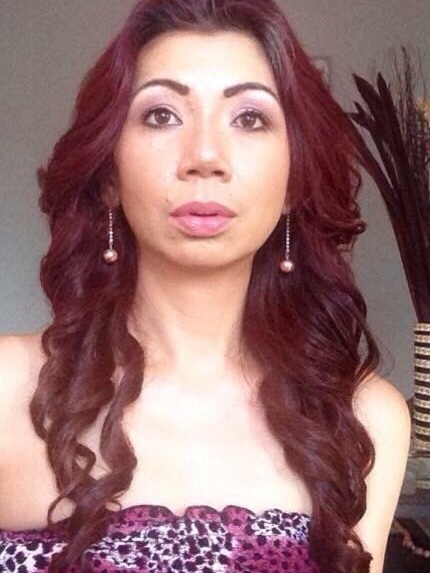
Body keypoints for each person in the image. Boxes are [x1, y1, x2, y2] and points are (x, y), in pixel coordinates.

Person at [0, 0, 411, 572]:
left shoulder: (365, 419)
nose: (205, 157)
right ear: (110, 175)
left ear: (293, 183)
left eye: (250, 119)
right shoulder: (6, 390)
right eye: (161, 115)